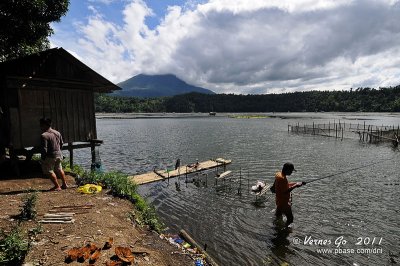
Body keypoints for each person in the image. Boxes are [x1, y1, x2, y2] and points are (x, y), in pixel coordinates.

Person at [39, 118, 68, 191]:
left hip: (50, 156)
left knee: (49, 171)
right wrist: (58, 150)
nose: (40, 127)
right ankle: (64, 184)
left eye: (41, 125)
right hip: (59, 154)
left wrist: (43, 158)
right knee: (59, 169)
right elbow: (62, 144)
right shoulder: (57, 133)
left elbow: (44, 149)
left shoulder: (44, 135)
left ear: (44, 125)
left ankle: (57, 186)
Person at [274, 162, 305, 227]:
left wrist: (297, 183)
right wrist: (295, 186)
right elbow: (285, 191)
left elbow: (285, 185)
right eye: (291, 171)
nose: (291, 172)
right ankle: (286, 231)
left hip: (278, 200)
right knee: (290, 219)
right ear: (286, 170)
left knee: (278, 215)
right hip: (284, 202)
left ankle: (276, 227)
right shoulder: (282, 179)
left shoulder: (279, 174)